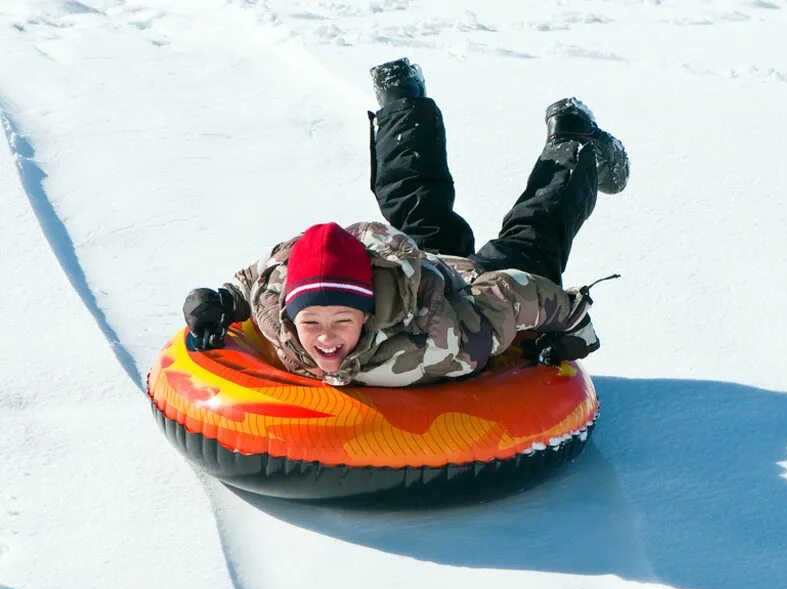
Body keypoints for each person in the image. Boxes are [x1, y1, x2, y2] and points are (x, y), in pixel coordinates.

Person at [182, 58, 629, 388]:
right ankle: (402, 100)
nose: (326, 338)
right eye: (312, 321)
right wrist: (219, 301)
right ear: (290, 315)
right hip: (417, 266)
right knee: (412, 203)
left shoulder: (441, 343)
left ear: (367, 312)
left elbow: (513, 294)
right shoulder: (275, 311)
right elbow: (260, 280)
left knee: (533, 235)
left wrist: (576, 328)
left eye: (341, 320)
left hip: (473, 294)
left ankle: (575, 138)